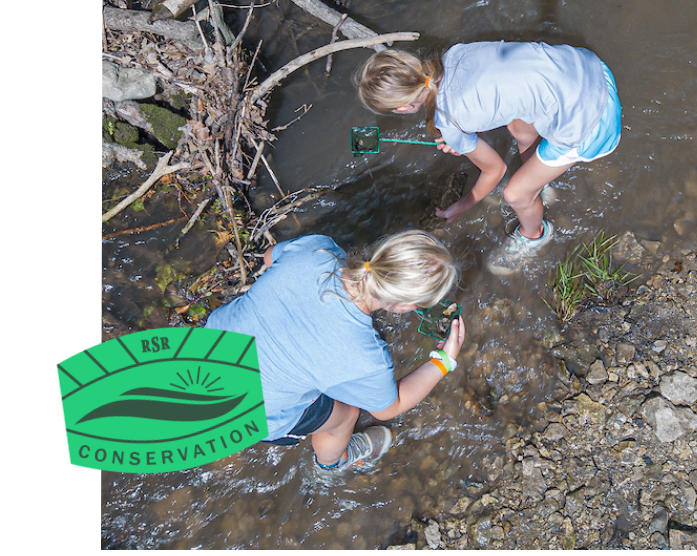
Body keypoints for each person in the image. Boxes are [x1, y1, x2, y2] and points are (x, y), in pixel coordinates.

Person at [205, 230, 465, 473]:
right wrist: (443, 361)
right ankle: (332, 463)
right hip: (250, 413)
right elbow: (389, 408)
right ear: (407, 306)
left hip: (205, 351)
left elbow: (270, 256)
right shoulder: (368, 358)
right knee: (348, 412)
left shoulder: (318, 249)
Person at [355, 41, 622, 275]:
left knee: (514, 194)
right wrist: (466, 135)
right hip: (590, 69)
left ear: (402, 108)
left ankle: (534, 235)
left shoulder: (449, 122)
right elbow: (492, 94)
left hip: (595, 123)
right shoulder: (454, 55)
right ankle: (537, 184)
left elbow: (495, 170)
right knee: (518, 126)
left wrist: (461, 206)